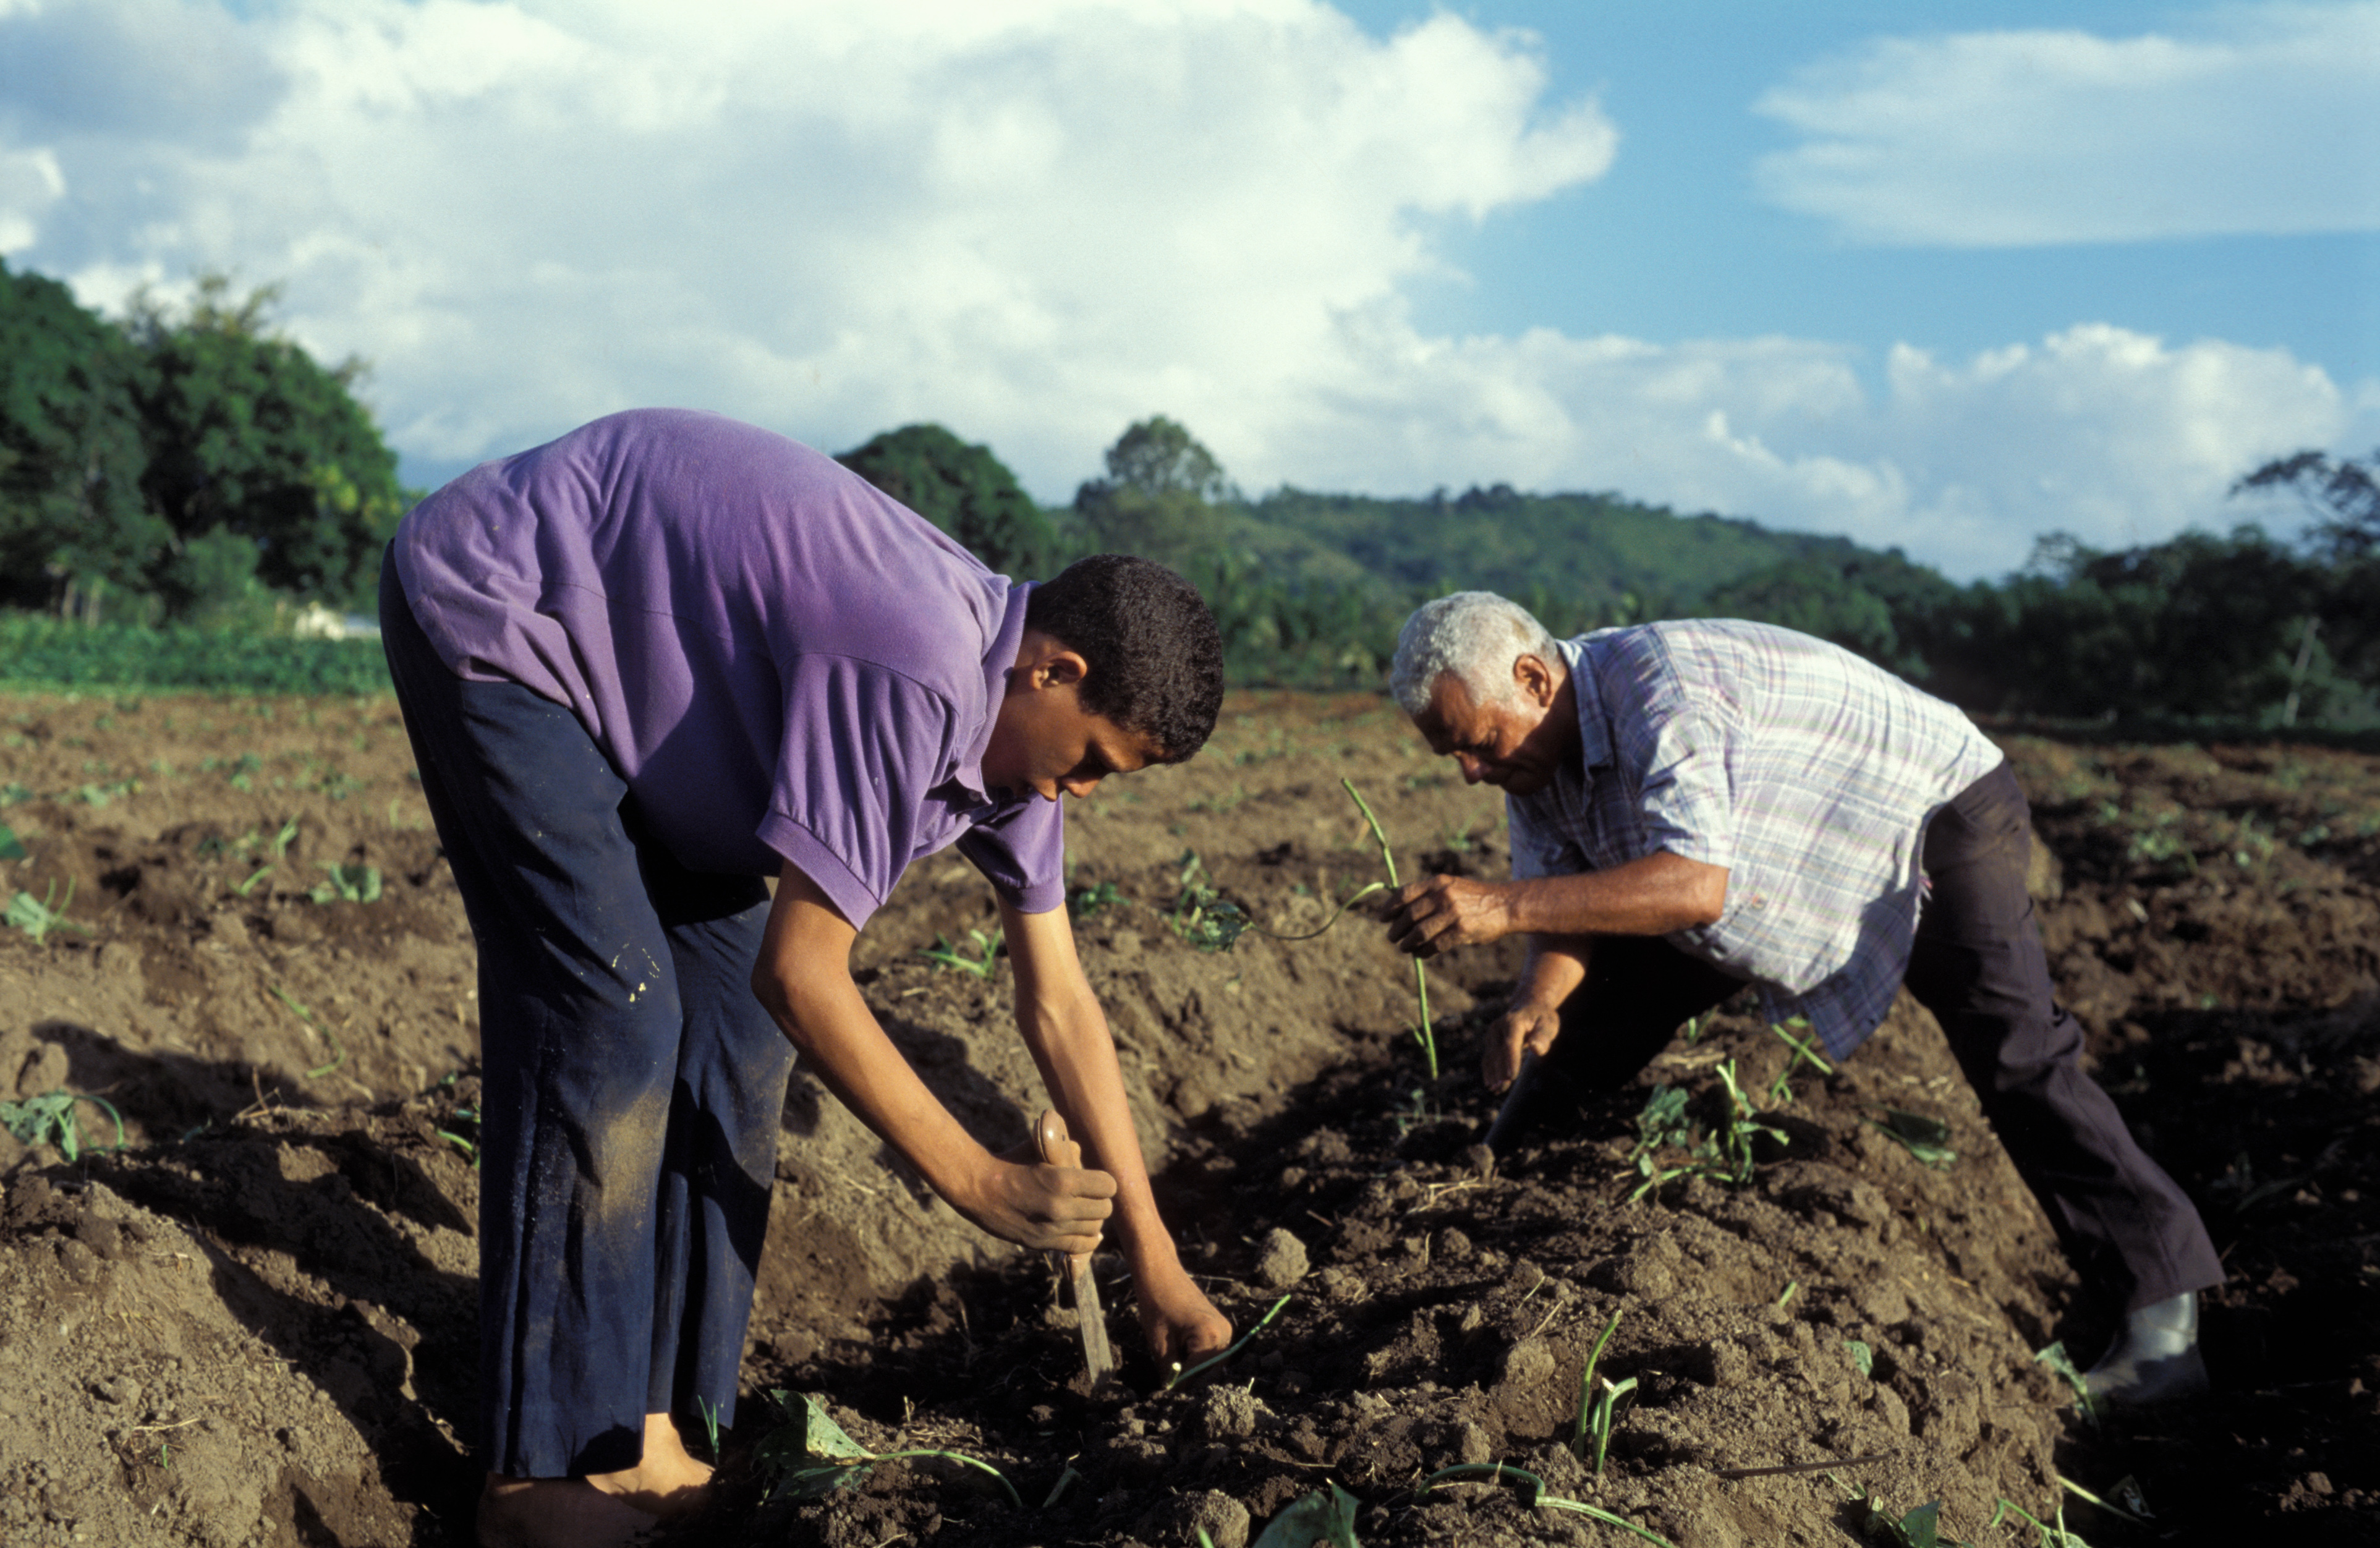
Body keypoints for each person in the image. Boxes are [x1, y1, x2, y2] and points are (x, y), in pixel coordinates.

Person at [380, 409, 1233, 1548]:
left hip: (652, 700)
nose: (1078, 794)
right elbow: (804, 972)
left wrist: (1154, 1259)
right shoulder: (917, 664)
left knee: (733, 1034)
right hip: (512, 614)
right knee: (609, 1009)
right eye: (1092, 762)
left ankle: (652, 1427)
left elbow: (1059, 1000)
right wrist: (976, 1181)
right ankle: (535, 1478)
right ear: (1054, 669)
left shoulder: (1018, 753)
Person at [1377, 592, 2221, 1408]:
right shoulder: (1533, 758)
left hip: (1929, 810)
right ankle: (1495, 1177)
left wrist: (1498, 907)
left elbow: (1692, 886)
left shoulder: (1659, 695)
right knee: (1595, 1015)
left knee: (2014, 1051)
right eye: (1455, 756)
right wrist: (1536, 998)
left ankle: (2161, 1324)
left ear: (1533, 679)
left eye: (1480, 745)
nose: (1472, 773)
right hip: (1767, 856)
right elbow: (1562, 896)